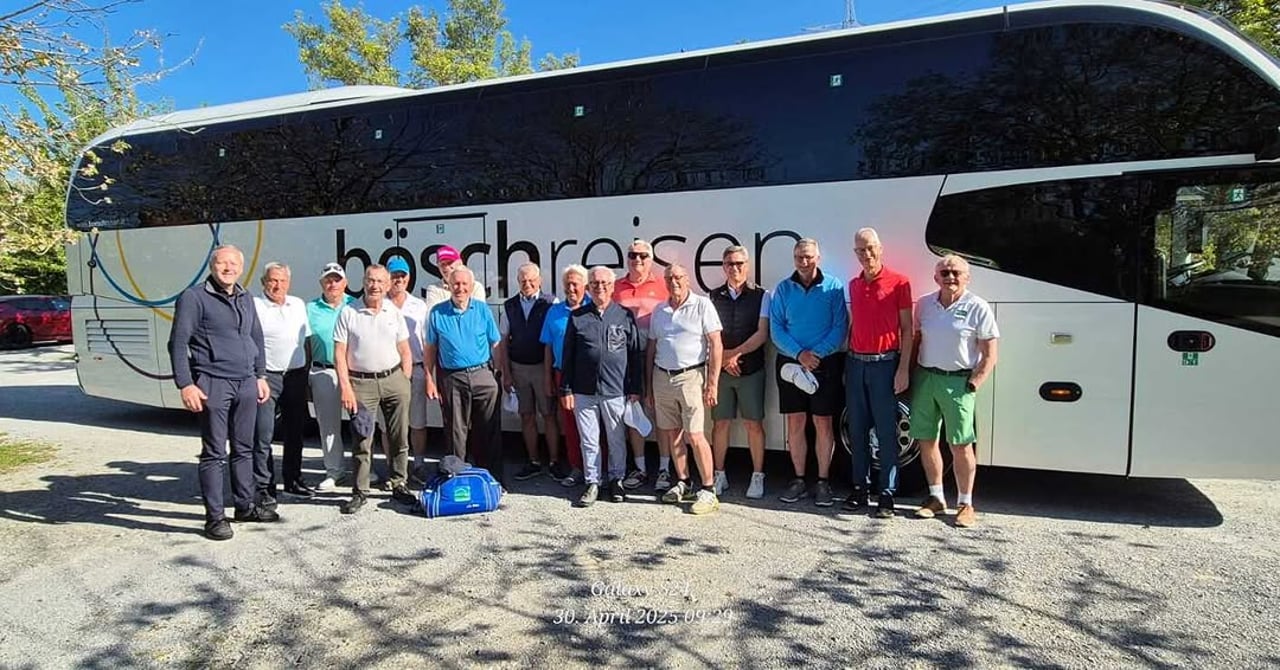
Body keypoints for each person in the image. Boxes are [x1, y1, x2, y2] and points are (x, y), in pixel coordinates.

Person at [168, 244, 275, 541]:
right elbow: (178, 343)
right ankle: (215, 518)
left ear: (241, 268)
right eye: (222, 263)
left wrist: (260, 375)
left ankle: (244, 506)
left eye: (234, 264)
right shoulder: (194, 297)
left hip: (246, 381)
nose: (228, 268)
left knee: (244, 449)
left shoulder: (245, 297)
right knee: (214, 453)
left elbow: (255, 337)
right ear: (212, 265)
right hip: (213, 381)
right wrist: (186, 383)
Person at [910, 255, 999, 528]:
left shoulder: (978, 307)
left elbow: (990, 354)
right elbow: (916, 340)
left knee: (960, 444)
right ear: (936, 277)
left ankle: (965, 503)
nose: (950, 277)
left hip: (959, 382)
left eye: (956, 273)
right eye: (944, 272)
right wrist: (909, 374)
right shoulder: (924, 304)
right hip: (926, 377)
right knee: (926, 440)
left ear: (966, 277)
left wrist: (974, 383)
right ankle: (936, 498)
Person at [842, 227, 915, 519]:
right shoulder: (854, 285)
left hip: (885, 364)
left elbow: (907, 329)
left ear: (880, 248)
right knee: (857, 430)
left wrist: (903, 369)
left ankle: (886, 494)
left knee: (886, 431)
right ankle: (860, 489)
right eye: (860, 250)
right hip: (856, 363)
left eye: (871, 248)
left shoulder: (900, 282)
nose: (866, 254)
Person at [770, 238, 848, 507]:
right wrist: (799, 354)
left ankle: (823, 481)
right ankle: (799, 479)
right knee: (795, 422)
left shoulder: (834, 287)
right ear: (794, 259)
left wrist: (816, 355)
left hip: (824, 364)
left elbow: (840, 328)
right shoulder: (783, 289)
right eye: (799, 257)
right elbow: (776, 330)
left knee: (823, 423)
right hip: (790, 364)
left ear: (818, 258)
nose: (804, 262)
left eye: (808, 257)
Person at [332, 264, 416, 514]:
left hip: (394, 381)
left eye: (380, 281)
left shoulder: (393, 312)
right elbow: (339, 353)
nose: (375, 286)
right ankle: (360, 491)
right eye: (371, 280)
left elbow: (405, 349)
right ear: (363, 282)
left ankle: (399, 484)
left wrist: (405, 380)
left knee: (399, 436)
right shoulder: (349, 312)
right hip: (361, 384)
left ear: (388, 285)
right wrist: (346, 387)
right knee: (362, 438)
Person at [561, 266, 644, 507]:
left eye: (605, 283)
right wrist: (566, 389)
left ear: (612, 286)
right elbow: (568, 356)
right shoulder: (577, 317)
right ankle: (593, 482)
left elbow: (635, 354)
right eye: (595, 283)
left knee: (616, 438)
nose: (600, 287)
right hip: (583, 390)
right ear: (588, 288)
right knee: (589, 440)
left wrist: (635, 387)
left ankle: (616, 480)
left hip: (615, 389)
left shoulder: (624, 316)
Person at [648, 263, 723, 515]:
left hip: (691, 376)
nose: (674, 282)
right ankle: (684, 482)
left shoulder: (702, 305)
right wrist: (649, 385)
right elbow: (651, 348)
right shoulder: (660, 310)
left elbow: (716, 344)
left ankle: (709, 489)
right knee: (673, 433)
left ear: (687, 279)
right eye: (669, 278)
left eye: (678, 277)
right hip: (661, 376)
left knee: (695, 435)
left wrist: (712, 383)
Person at [424, 265, 505, 488]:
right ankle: (456, 481)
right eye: (456, 284)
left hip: (483, 375)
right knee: (455, 432)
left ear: (471, 286)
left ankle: (492, 481)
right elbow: (430, 348)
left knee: (488, 429)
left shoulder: (482, 310)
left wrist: (498, 373)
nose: (460, 288)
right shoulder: (437, 312)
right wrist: (430, 379)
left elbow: (495, 343)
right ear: (449, 286)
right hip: (452, 377)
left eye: (464, 284)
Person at [708, 245, 771, 499]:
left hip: (751, 370)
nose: (734, 268)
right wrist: (724, 359)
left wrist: (734, 355)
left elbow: (762, 334)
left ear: (747, 265)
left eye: (739, 263)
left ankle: (757, 476)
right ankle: (719, 475)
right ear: (724, 267)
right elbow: (710, 335)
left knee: (753, 424)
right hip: (722, 372)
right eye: (730, 264)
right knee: (720, 424)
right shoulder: (713, 296)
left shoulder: (762, 295)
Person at [612, 239, 670, 492]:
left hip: (657, 356)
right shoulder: (616, 287)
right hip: (626, 359)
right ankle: (640, 468)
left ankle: (665, 469)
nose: (638, 259)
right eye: (633, 255)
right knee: (633, 412)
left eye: (643, 255)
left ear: (651, 259)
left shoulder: (663, 285)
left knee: (662, 413)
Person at [252, 262, 313, 502]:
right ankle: (265, 487)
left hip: (295, 376)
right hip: (267, 377)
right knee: (263, 434)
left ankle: (293, 480)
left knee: (295, 432)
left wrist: (306, 372)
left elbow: (305, 341)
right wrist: (256, 376)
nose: (278, 285)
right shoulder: (254, 306)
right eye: (273, 280)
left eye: (283, 280)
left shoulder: (297, 304)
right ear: (263, 282)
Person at [499, 263, 564, 482]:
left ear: (540, 281)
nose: (527, 284)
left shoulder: (551, 302)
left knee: (549, 415)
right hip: (518, 368)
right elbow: (503, 341)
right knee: (526, 416)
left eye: (531, 280)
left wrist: (549, 375)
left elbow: (553, 337)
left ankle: (554, 462)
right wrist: (506, 373)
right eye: (523, 280)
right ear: (518, 282)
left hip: (542, 367)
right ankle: (533, 461)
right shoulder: (509, 305)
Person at [380, 256, 431, 483]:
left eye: (402, 276)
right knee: (387, 424)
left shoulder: (419, 306)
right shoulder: (379, 304)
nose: (398, 280)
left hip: (416, 369)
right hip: (388, 372)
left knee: (417, 422)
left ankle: (418, 464)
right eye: (394, 276)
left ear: (408, 278)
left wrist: (429, 374)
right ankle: (392, 468)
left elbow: (427, 342)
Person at [540, 264, 591, 487]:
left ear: (585, 286)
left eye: (575, 284)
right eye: (567, 284)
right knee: (570, 425)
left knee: (594, 425)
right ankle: (576, 467)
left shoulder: (594, 308)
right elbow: (548, 347)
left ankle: (599, 471)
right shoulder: (555, 312)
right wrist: (547, 377)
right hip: (563, 375)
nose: (571, 288)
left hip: (589, 376)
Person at [306, 262, 355, 492]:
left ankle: (363, 470)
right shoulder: (310, 309)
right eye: (328, 280)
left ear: (345, 283)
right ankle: (334, 471)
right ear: (321, 283)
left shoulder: (355, 305)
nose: (332, 284)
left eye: (337, 279)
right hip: (323, 371)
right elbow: (304, 344)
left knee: (361, 423)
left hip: (353, 372)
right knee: (328, 425)